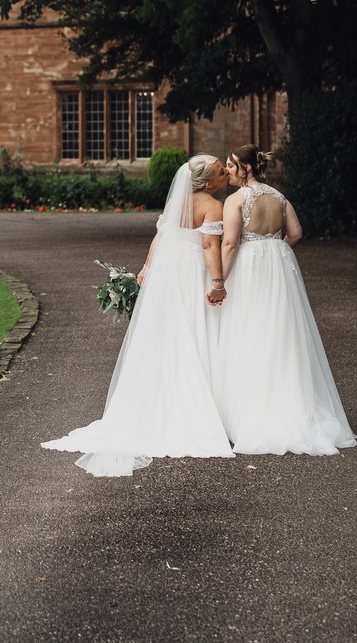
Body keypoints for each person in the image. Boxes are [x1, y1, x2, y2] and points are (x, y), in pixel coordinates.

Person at [42, 155, 234, 476]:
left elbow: (159, 237)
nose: (226, 173)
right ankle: (199, 407)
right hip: (190, 274)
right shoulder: (212, 206)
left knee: (168, 336)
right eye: (220, 172)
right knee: (197, 332)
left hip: (167, 273)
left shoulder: (178, 202)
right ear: (208, 182)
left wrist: (147, 266)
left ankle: (159, 400)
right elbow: (209, 247)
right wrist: (217, 281)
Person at [214, 145, 357, 456]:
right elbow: (296, 233)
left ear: (246, 169)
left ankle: (248, 413)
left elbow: (229, 244)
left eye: (230, 165)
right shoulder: (280, 197)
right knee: (283, 334)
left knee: (249, 332)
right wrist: (274, 249)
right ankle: (294, 408)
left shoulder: (235, 200)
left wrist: (218, 282)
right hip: (279, 265)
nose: (226, 171)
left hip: (251, 268)